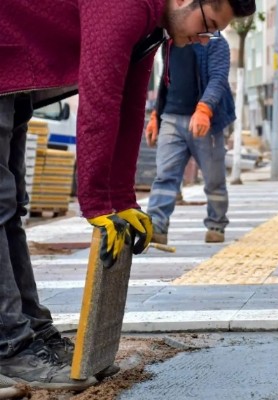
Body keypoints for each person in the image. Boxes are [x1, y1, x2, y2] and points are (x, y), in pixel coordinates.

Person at [0, 0, 256, 390]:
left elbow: (130, 105)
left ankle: (31, 332)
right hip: (8, 50)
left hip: (14, 68)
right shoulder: (126, 6)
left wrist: (123, 199)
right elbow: (100, 101)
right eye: (207, 25)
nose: (203, 40)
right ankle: (11, 346)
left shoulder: (154, 23)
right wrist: (96, 204)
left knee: (10, 204)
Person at [145, 36, 235, 244]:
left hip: (206, 121)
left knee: (214, 179)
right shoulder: (170, 41)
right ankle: (157, 224)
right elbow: (166, 80)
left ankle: (216, 224)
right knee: (164, 175)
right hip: (171, 118)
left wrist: (205, 108)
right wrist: (155, 116)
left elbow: (218, 78)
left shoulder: (215, 42)